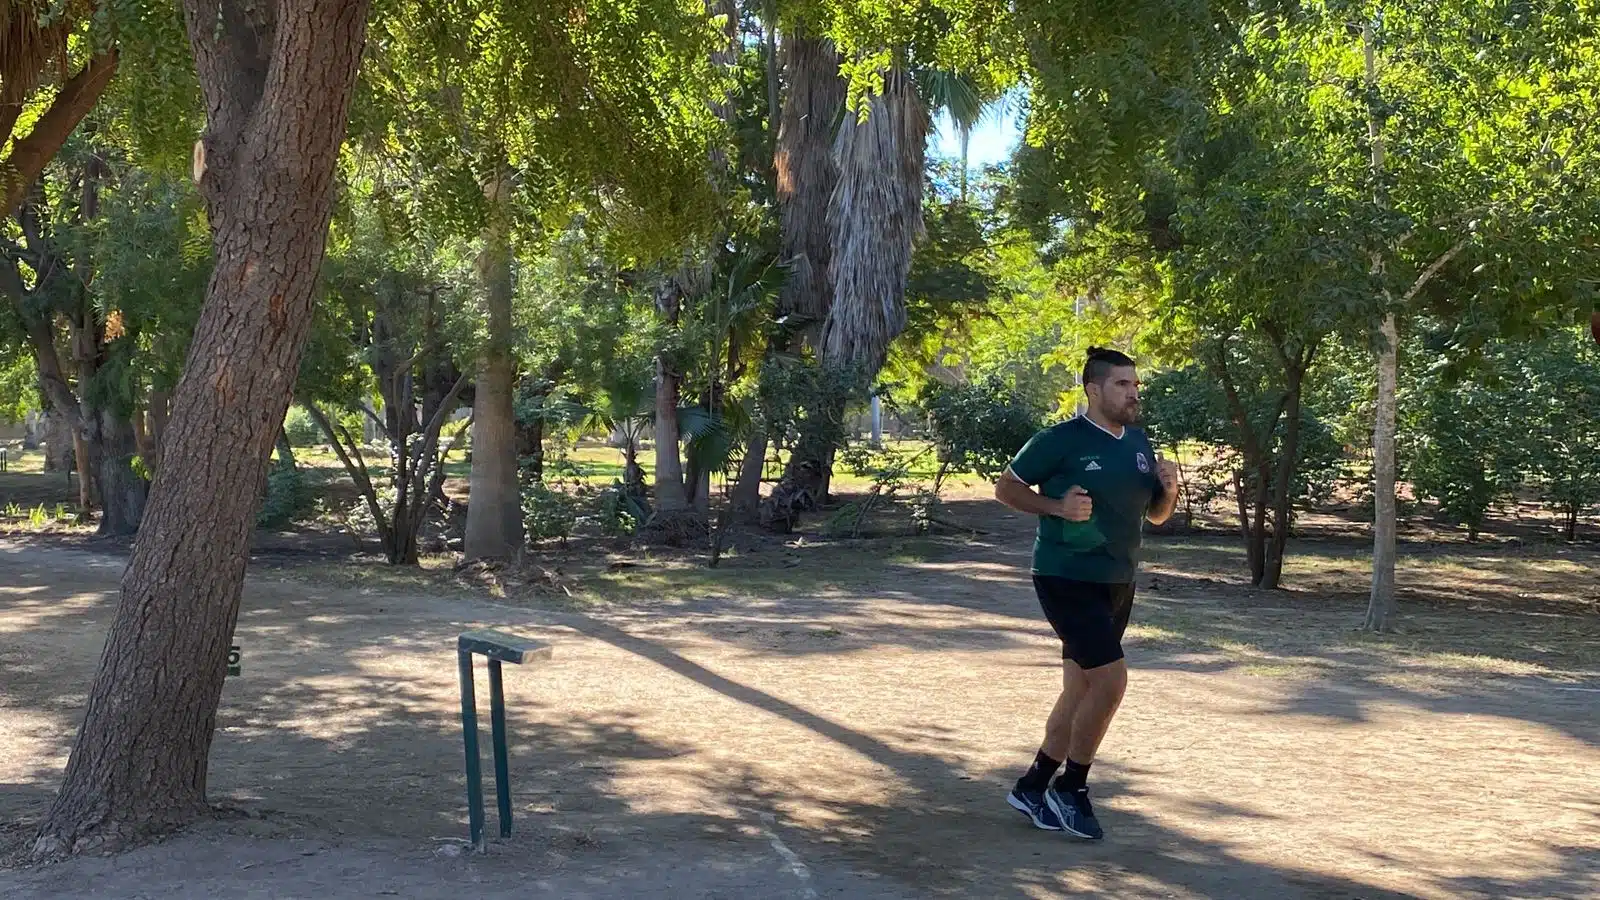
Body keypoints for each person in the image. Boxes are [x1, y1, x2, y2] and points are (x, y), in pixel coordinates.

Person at [994, 346, 1179, 840]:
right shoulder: (1060, 440)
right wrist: (1055, 506)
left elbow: (1156, 516)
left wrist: (1169, 490)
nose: (1133, 393)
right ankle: (1071, 788)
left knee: (1081, 687)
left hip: (1118, 580)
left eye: (1136, 385)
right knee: (1112, 682)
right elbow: (1006, 488)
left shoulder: (1138, 443)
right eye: (1122, 385)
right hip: (1065, 575)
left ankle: (1034, 784)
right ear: (1093, 390)